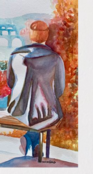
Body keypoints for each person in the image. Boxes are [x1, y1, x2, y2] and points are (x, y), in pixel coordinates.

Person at [6, 21, 65, 157]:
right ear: (46, 35)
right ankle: (33, 140)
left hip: (17, 108)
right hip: (46, 111)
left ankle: (30, 138)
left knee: (31, 116)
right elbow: (59, 90)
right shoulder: (55, 58)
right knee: (48, 114)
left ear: (30, 35)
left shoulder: (15, 55)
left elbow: (10, 83)